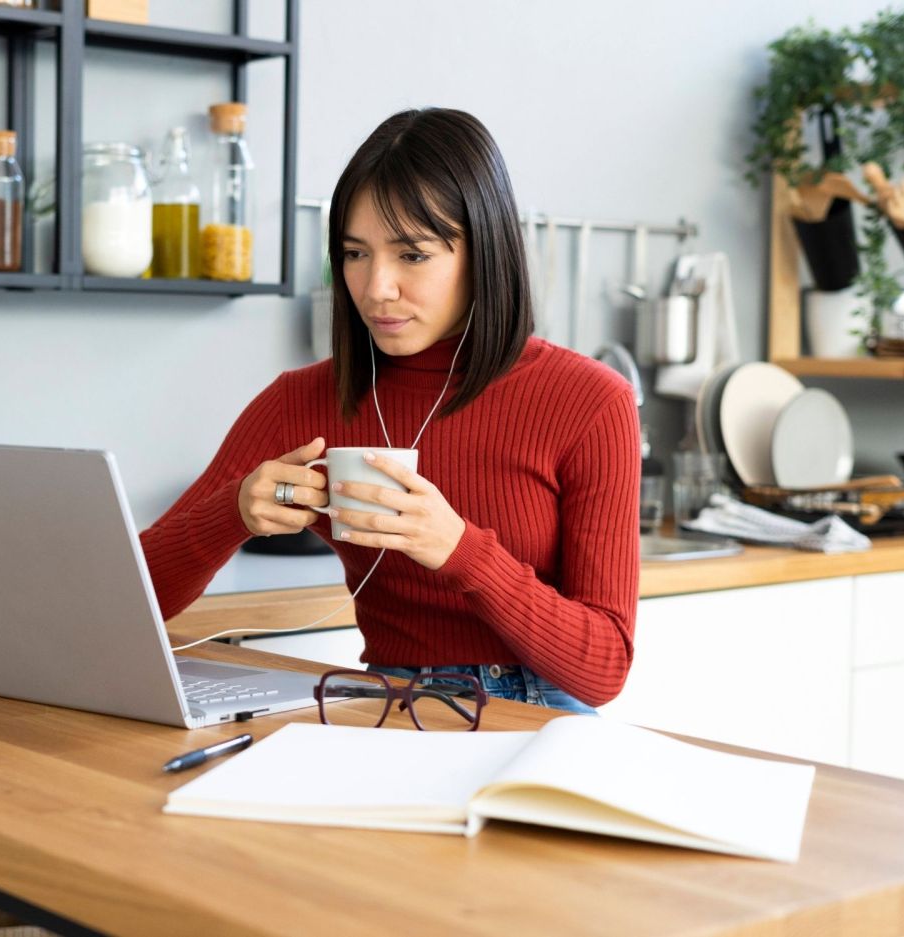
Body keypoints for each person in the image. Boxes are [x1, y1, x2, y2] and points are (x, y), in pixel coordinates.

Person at [141, 108, 639, 712]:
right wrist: (232, 513)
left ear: (484, 253)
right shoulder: (300, 401)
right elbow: (129, 599)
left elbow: (604, 668)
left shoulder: (589, 401)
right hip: (382, 702)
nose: (376, 287)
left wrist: (459, 549)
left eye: (412, 255)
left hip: (540, 713)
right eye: (355, 254)